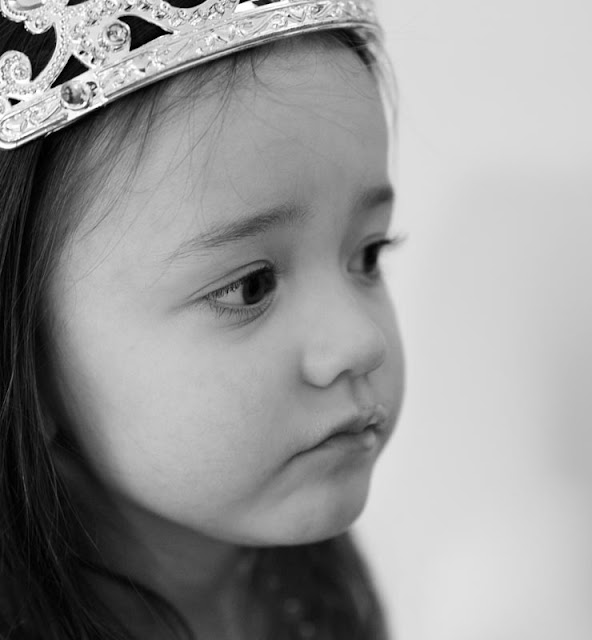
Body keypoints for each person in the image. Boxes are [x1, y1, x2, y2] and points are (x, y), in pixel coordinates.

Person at [0, 0, 405, 638]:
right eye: (249, 287)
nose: (362, 341)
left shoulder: (302, 593)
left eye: (368, 254)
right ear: (27, 357)